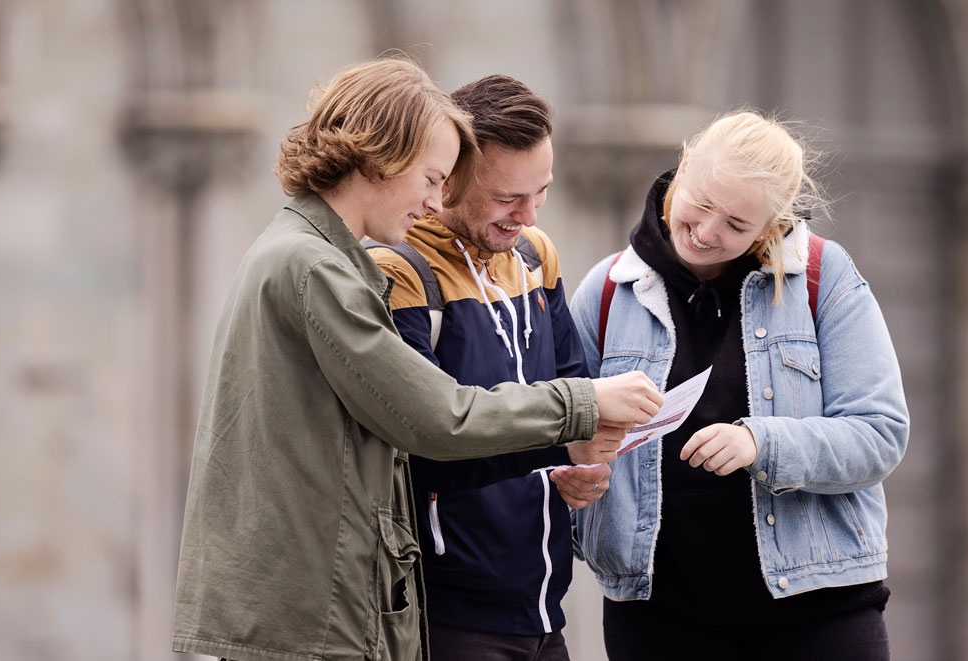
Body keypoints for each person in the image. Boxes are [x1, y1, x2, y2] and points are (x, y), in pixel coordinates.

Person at [171, 56, 662, 661]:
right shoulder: (316, 266)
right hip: (309, 618)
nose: (433, 201)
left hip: (311, 610)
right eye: (432, 178)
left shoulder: (305, 251)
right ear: (383, 159)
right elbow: (434, 418)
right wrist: (583, 405)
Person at [569, 111, 909, 660]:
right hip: (658, 617)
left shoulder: (825, 276)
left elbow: (881, 434)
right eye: (700, 204)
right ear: (682, 168)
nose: (706, 233)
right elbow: (558, 430)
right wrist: (573, 474)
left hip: (818, 608)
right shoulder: (606, 291)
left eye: (735, 224)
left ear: (772, 224)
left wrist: (760, 443)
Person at [367, 75, 611, 661]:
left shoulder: (534, 254)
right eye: (508, 198)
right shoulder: (397, 268)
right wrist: (560, 439)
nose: (527, 216)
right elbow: (421, 447)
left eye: (541, 192)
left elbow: (574, 394)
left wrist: (586, 465)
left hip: (545, 600)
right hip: (449, 611)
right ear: (446, 180)